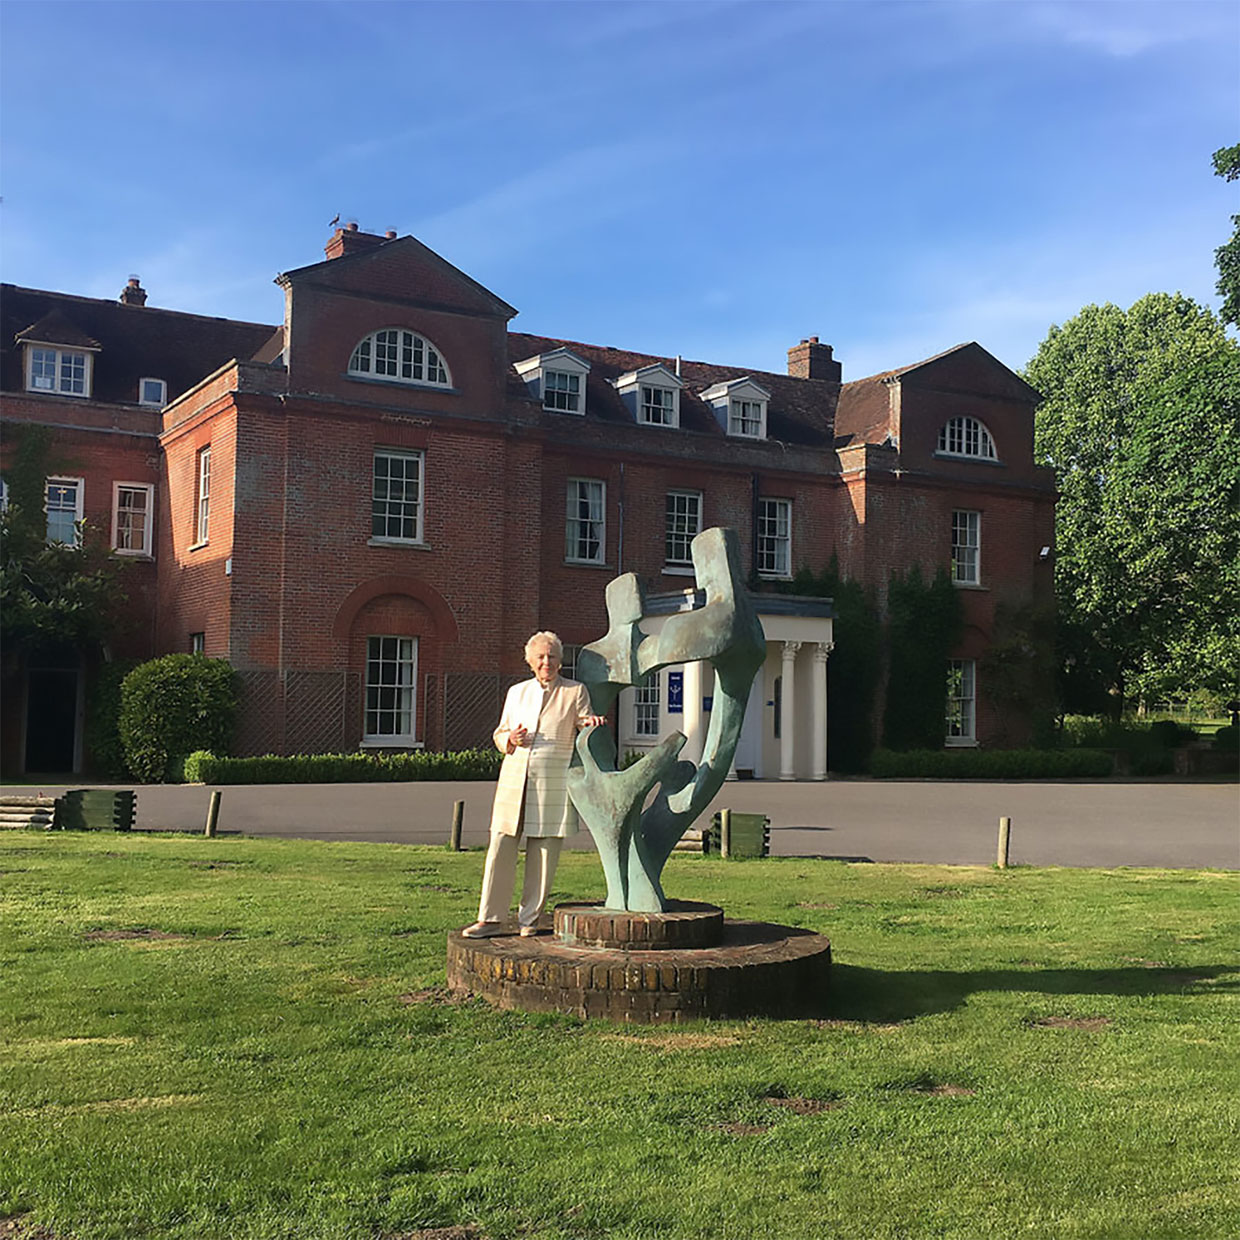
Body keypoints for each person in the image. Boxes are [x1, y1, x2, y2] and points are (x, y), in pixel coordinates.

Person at [462, 631, 605, 938]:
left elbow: (583, 718)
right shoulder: (517, 692)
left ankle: (530, 919)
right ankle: (490, 919)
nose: (546, 662)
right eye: (540, 657)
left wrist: (590, 723)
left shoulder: (574, 690)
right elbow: (500, 733)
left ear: (560, 660)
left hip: (552, 783)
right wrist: (508, 740)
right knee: (501, 845)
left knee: (543, 853)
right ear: (530, 661)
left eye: (552, 656)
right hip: (514, 780)